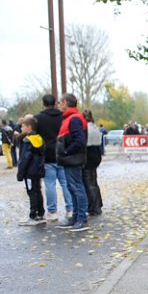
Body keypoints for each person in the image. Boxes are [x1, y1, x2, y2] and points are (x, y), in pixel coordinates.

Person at [35, 94, 73, 222]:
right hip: (62, 153)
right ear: (56, 103)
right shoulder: (63, 117)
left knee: (49, 184)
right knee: (65, 183)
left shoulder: (38, 118)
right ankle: (70, 209)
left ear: (43, 103)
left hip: (47, 154)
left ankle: (52, 211)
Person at [56, 94, 89, 232]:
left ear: (65, 102)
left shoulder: (74, 119)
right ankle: (76, 217)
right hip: (71, 159)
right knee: (72, 187)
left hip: (72, 159)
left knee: (76, 187)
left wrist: (66, 151)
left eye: (60, 102)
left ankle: (81, 218)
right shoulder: (71, 118)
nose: (59, 105)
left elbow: (79, 140)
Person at [16, 115, 46, 226]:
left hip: (29, 172)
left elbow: (24, 159)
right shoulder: (39, 139)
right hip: (37, 170)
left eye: (23, 126)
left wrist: (20, 173)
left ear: (29, 128)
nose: (21, 128)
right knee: (37, 191)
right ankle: (41, 213)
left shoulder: (27, 141)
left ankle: (33, 215)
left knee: (32, 192)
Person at [83, 109, 104, 216]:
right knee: (93, 181)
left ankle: (94, 206)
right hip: (95, 155)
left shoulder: (86, 128)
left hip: (88, 156)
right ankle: (98, 204)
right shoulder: (95, 127)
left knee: (88, 182)